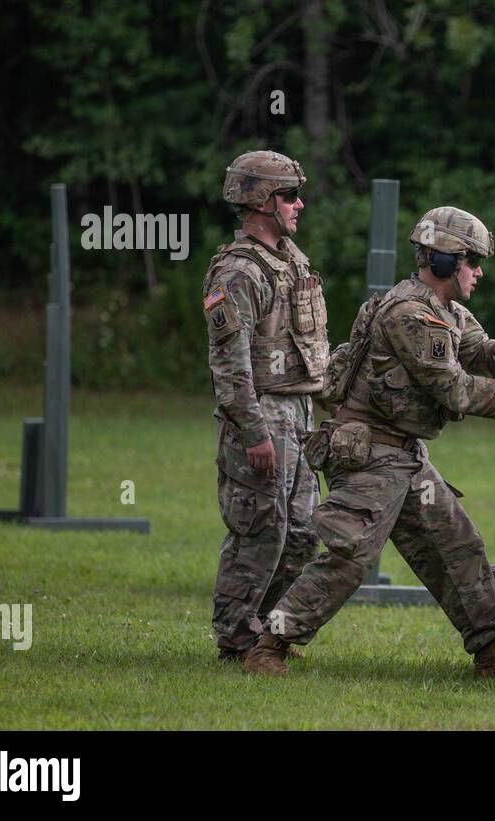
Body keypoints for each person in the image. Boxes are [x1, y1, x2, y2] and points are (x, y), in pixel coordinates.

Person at [243, 206, 495, 677]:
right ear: (442, 262)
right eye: (471, 261)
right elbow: (454, 388)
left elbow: (473, 350)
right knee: (350, 558)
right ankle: (268, 644)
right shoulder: (411, 315)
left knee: (457, 544)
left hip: (402, 454)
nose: (478, 272)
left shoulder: (445, 310)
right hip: (371, 455)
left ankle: (491, 653)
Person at [203, 150, 328, 662]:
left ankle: (264, 632)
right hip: (262, 419)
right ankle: (235, 638)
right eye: (289, 196)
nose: (300, 205)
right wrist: (253, 433)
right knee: (261, 529)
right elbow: (229, 366)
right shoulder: (237, 273)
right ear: (260, 202)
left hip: (298, 415)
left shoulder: (291, 260)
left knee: (301, 533)